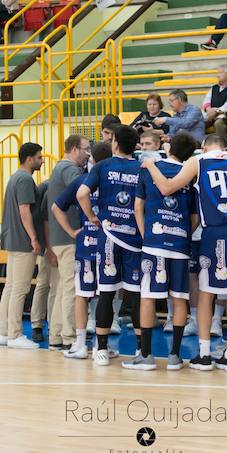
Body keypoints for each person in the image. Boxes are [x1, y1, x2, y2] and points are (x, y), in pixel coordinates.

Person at [141, 133, 227, 372]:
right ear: (226, 145)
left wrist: (151, 165)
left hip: (216, 232)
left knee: (206, 293)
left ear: (204, 147)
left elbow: (166, 187)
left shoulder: (199, 161)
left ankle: (204, 355)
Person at [124, 132, 199, 371]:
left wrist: (147, 236)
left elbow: (138, 207)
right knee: (179, 299)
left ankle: (145, 355)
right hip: (180, 245)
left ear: (168, 148)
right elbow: (194, 218)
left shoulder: (149, 168)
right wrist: (184, 233)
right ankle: (175, 356)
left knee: (148, 297)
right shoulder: (191, 175)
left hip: (154, 242)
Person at [77, 125, 143, 366]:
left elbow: (82, 194)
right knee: (135, 296)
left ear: (114, 143)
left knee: (106, 293)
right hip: (136, 239)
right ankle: (140, 349)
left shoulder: (103, 166)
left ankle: (101, 349)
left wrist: (92, 217)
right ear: (135, 145)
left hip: (109, 237)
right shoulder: (141, 168)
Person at [53, 141, 113, 360]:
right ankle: (100, 345)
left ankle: (80, 344)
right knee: (102, 296)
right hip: (108, 247)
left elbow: (56, 207)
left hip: (87, 245)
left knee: (82, 295)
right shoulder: (112, 181)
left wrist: (71, 231)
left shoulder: (82, 180)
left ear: (92, 160)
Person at [45, 134, 91, 351]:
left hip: (59, 238)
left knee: (64, 288)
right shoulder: (70, 170)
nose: (88, 154)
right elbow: (84, 194)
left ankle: (56, 334)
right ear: (74, 149)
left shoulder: (58, 169)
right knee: (72, 288)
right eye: (86, 149)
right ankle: (69, 336)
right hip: (68, 237)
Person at [0, 143, 44, 349]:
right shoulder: (25, 179)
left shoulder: (14, 177)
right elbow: (25, 211)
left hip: (12, 239)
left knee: (10, 286)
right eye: (39, 157)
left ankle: (4, 333)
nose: (42, 160)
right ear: (29, 159)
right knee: (20, 289)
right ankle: (15, 335)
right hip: (23, 241)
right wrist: (34, 237)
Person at [29, 180, 55, 345]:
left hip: (49, 242)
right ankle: (42, 325)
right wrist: (48, 247)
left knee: (45, 285)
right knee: (46, 284)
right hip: (49, 243)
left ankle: (45, 325)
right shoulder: (49, 189)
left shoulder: (47, 186)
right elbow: (44, 220)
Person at [202, 64, 227, 130]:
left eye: (220, 73)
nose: (218, 75)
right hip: (210, 114)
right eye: (217, 73)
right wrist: (209, 109)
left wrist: (216, 111)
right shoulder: (214, 87)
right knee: (198, 123)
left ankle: (224, 140)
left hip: (225, 116)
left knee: (218, 123)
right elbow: (207, 100)